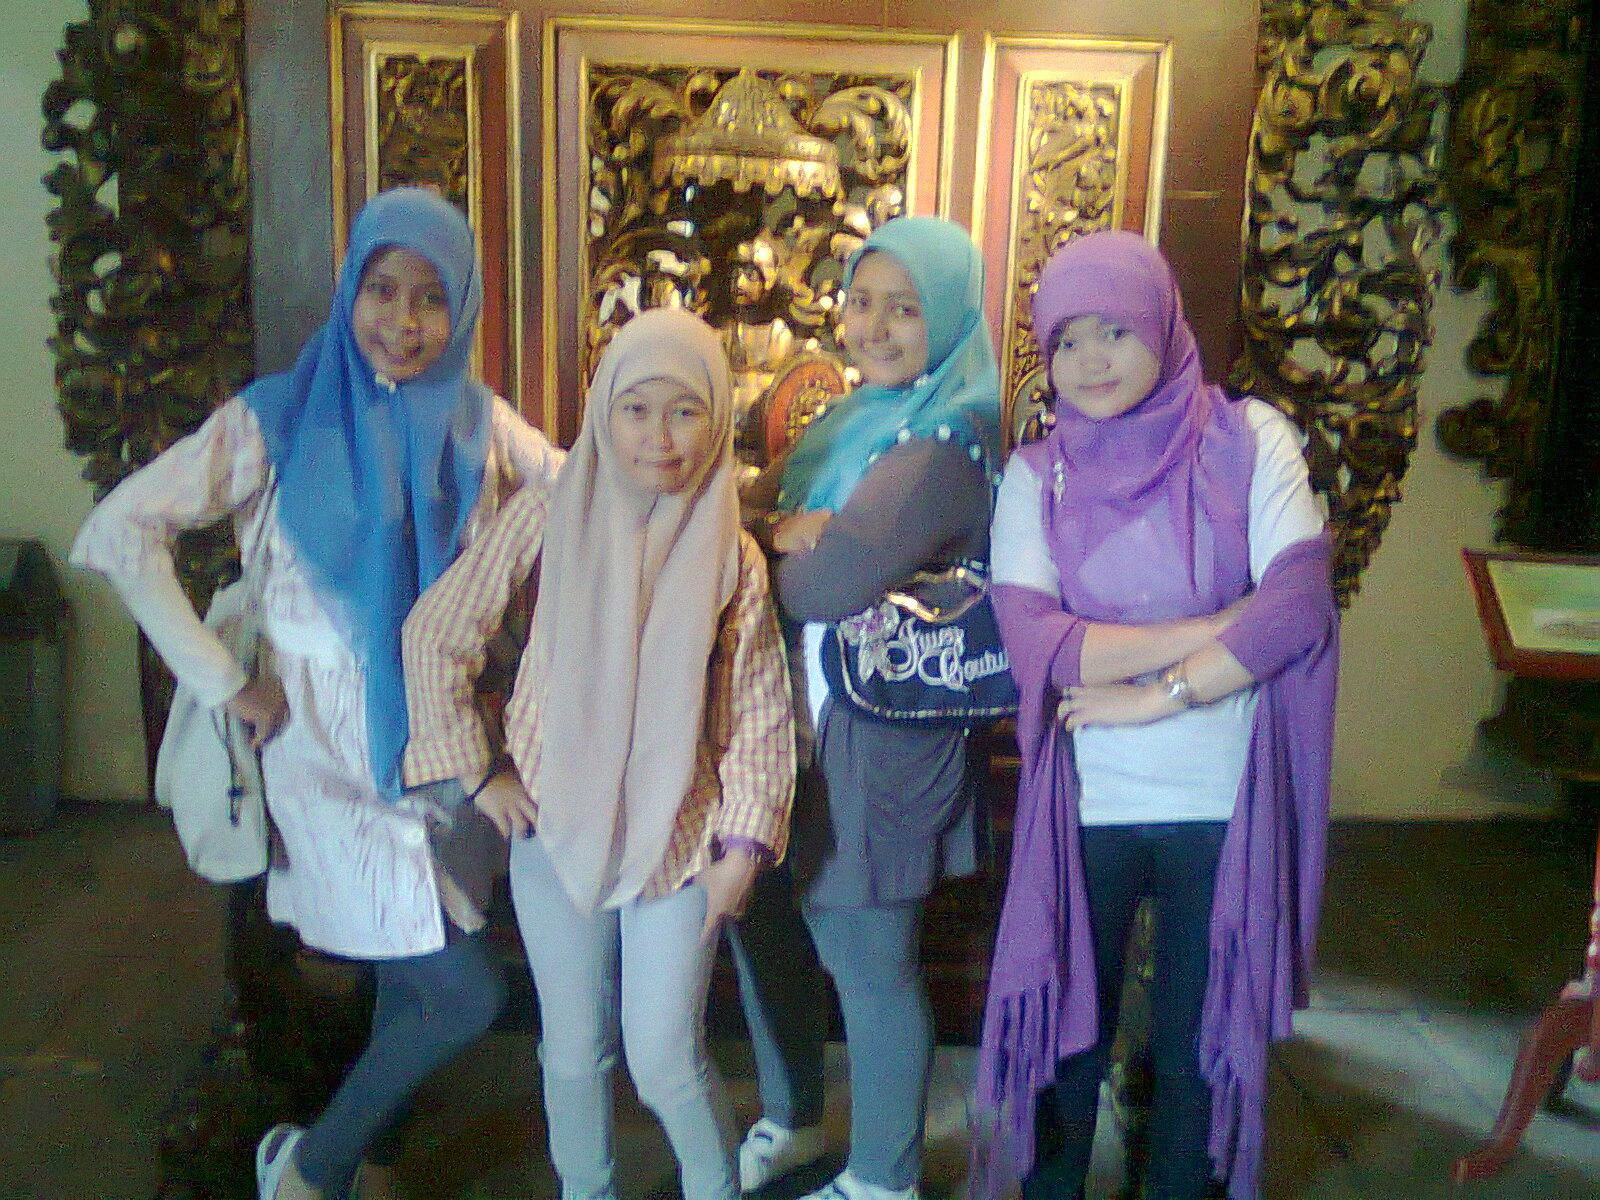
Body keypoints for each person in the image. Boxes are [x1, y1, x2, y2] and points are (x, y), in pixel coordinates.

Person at [70, 187, 564, 1200]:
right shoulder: (279, 417)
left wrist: (731, 513)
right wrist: (222, 681)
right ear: (350, 290)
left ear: (462, 304)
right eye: (382, 289)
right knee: (464, 993)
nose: (404, 321)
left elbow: (591, 492)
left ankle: (371, 1155)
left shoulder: (479, 422)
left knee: (407, 958)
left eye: (431, 296)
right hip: (325, 753)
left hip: (444, 746)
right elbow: (124, 528)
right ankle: (309, 1167)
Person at [975, 230, 1339, 1200]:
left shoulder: (1249, 439)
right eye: (1066, 340)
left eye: (1115, 331)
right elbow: (1040, 647)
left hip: (1221, 802)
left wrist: (1153, 695)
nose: (1090, 360)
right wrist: (1221, 626)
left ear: (1164, 328)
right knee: (1063, 1045)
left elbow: (1297, 606)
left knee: (1192, 1050)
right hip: (1086, 805)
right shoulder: (1036, 474)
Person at [401, 307, 796, 1200]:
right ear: (602, 411)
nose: (661, 436)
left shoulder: (729, 554)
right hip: (554, 823)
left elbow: (757, 713)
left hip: (679, 834)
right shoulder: (548, 516)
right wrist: (480, 771)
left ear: (718, 421)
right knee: (574, 1047)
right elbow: (435, 634)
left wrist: (743, 848)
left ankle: (714, 1188)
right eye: (637, 410)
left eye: (687, 411)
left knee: (664, 1058)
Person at [736, 215, 1004, 1200]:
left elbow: (825, 584)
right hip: (792, 723)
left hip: (882, 739)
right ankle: (794, 1120)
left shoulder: (948, 436)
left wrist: (767, 538)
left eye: (907, 308)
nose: (877, 327)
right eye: (862, 303)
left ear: (952, 316)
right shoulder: (850, 420)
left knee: (865, 953)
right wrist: (777, 527)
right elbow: (736, 516)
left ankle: (884, 1178)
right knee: (766, 918)